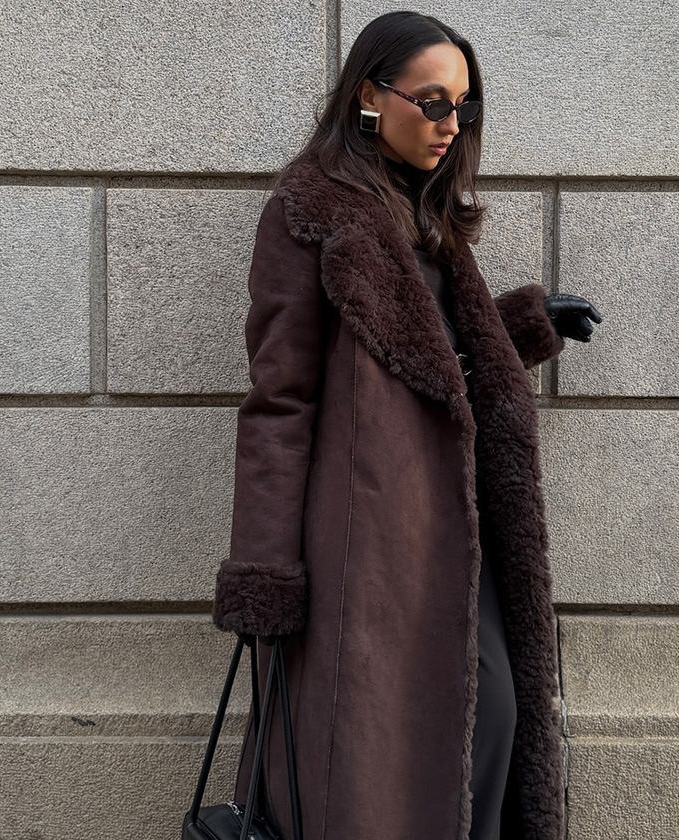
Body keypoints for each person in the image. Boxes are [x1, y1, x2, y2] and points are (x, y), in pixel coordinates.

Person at [210, 10, 601, 840]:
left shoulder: (428, 220)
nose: (450, 126)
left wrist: (523, 327)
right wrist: (265, 576)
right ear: (368, 97)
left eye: (463, 108)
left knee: (492, 714)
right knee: (375, 763)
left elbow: (429, 355)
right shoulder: (308, 217)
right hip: (365, 546)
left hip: (454, 526)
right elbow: (279, 405)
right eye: (431, 102)